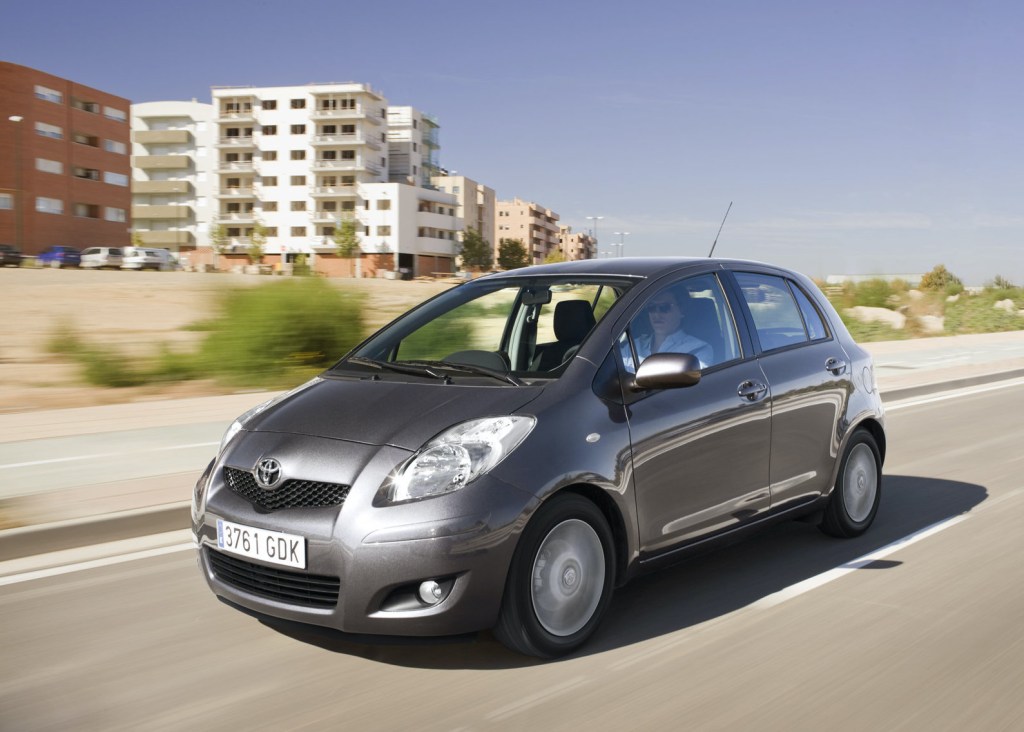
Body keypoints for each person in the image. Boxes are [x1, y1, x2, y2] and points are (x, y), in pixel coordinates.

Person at [626, 289, 713, 370]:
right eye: (651, 307)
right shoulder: (633, 346)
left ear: (681, 311)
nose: (656, 314)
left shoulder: (698, 349)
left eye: (664, 307)